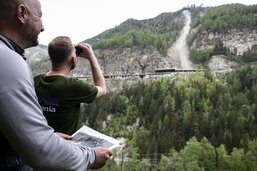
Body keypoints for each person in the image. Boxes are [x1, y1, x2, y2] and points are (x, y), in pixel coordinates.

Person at [0, 0, 112, 170]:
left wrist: (48, 136)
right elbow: (40, 149)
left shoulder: (36, 79)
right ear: (22, 13)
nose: (42, 27)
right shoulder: (8, 61)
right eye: (39, 17)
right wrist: (90, 156)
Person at [34, 36, 107, 135]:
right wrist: (91, 57)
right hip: (62, 148)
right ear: (73, 60)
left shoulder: (35, 81)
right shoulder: (73, 87)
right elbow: (102, 89)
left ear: (50, 59)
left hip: (37, 143)